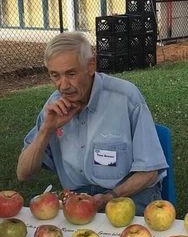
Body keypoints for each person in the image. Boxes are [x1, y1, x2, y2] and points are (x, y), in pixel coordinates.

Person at [17, 31, 168, 215]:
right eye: (55, 75)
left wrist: (108, 198)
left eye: (71, 74)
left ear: (91, 66)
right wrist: (47, 130)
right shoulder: (54, 107)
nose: (63, 85)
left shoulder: (125, 98)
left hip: (128, 199)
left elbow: (150, 171)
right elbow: (23, 173)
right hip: (77, 203)